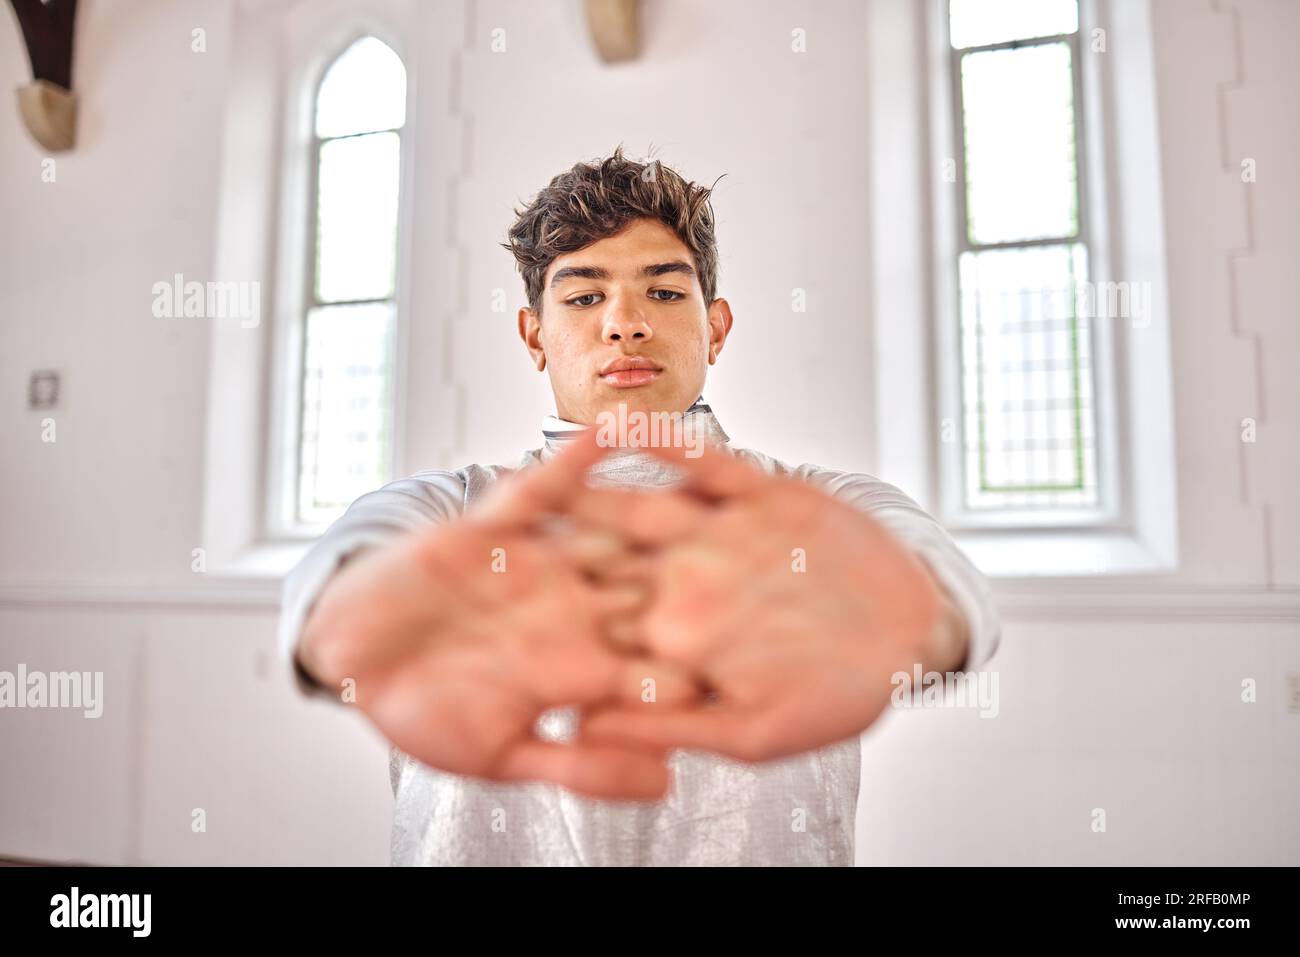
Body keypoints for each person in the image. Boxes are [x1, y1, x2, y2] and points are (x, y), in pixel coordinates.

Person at [279, 146, 1000, 866]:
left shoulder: (817, 509)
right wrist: (351, 618)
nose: (625, 324)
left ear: (715, 327)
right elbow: (337, 579)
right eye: (584, 296)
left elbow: (946, 588)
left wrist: (913, 618)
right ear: (534, 335)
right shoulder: (448, 511)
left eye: (663, 292)